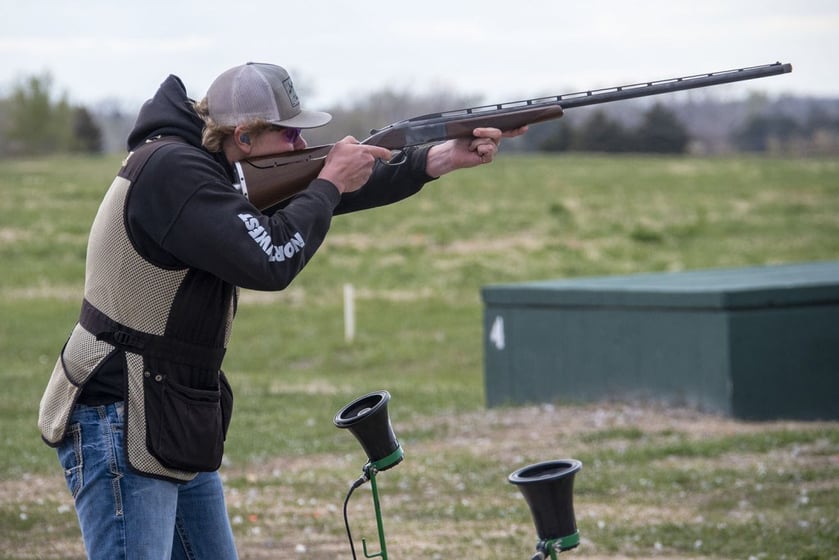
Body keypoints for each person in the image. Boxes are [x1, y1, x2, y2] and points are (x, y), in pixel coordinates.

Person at [37, 61, 525, 559]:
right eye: (290, 136)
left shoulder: (209, 167)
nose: (300, 148)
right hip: (120, 411)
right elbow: (270, 257)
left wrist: (437, 158)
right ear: (245, 138)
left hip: (166, 410)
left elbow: (316, 195)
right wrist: (330, 181)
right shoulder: (176, 173)